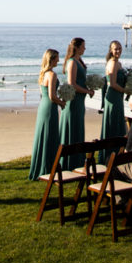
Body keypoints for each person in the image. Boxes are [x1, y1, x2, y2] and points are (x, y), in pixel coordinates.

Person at [29, 48, 65, 179]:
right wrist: (62, 103)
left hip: (42, 107)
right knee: (50, 135)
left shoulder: (43, 74)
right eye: (57, 58)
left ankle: (40, 166)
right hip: (50, 107)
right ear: (52, 59)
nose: (59, 60)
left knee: (43, 135)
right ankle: (48, 167)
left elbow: (45, 94)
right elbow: (52, 96)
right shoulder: (52, 75)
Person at [59, 37, 94, 167]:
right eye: (83, 46)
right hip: (73, 101)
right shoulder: (72, 62)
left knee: (78, 128)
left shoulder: (79, 60)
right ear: (77, 47)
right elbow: (72, 84)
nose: (85, 48)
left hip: (80, 101)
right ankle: (69, 162)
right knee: (72, 128)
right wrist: (87, 91)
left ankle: (77, 160)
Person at [99, 40, 127, 161]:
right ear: (111, 50)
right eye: (115, 49)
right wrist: (125, 91)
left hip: (118, 96)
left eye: (120, 48)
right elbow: (113, 84)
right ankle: (110, 155)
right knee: (114, 123)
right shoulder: (112, 64)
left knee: (118, 122)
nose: (118, 51)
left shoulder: (118, 63)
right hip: (113, 96)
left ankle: (117, 153)